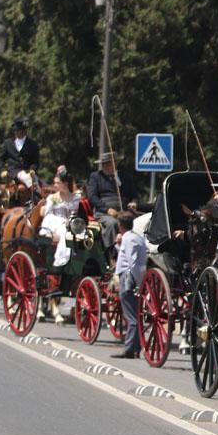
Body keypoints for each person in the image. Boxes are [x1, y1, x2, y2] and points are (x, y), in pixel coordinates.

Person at [111, 212, 147, 358]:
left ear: (120, 226)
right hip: (131, 276)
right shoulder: (135, 237)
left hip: (128, 277)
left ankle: (130, 349)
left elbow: (132, 263)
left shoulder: (129, 239)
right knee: (134, 315)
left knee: (131, 316)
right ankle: (135, 347)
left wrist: (139, 282)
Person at [86, 151, 139, 252]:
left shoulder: (125, 177)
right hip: (104, 213)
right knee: (113, 223)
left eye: (109, 163)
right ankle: (113, 254)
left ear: (115, 163)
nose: (106, 166)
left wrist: (134, 202)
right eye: (104, 164)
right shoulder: (95, 177)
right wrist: (107, 209)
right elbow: (92, 197)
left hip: (125, 211)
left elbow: (134, 195)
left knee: (138, 222)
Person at [40, 167, 82, 270]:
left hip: (73, 224)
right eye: (55, 183)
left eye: (57, 183)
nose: (55, 185)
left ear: (65, 184)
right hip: (55, 224)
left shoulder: (76, 198)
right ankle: (62, 259)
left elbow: (79, 213)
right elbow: (47, 215)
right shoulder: (52, 198)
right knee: (65, 232)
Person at [0, 117, 41, 190]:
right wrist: (2, 170)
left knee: (34, 179)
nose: (17, 132)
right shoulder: (7, 143)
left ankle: (39, 197)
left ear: (25, 131)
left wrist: (32, 169)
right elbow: (1, 159)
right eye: (15, 130)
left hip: (28, 172)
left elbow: (36, 161)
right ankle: (38, 195)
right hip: (12, 173)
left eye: (19, 130)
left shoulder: (33, 144)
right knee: (27, 178)